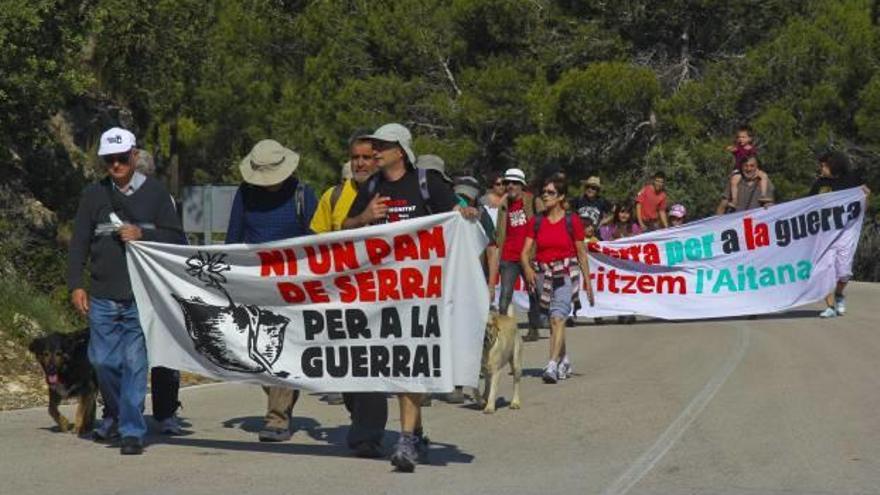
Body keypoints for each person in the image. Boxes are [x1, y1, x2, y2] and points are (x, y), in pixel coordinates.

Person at [343, 122, 478, 472]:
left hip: (423, 293)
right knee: (392, 364)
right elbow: (343, 228)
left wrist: (465, 212)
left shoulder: (426, 183)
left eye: (381, 147)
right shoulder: (372, 185)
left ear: (400, 151)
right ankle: (415, 432)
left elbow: (459, 212)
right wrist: (364, 217)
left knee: (409, 362)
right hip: (382, 292)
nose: (374, 152)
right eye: (372, 147)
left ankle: (404, 440)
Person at [67, 127, 185, 455]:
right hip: (102, 292)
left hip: (141, 295)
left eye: (122, 158)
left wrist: (143, 233)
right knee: (102, 361)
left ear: (134, 156)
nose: (116, 165)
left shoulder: (157, 194)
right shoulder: (93, 195)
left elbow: (177, 238)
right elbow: (79, 242)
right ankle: (119, 414)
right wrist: (76, 283)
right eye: (110, 160)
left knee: (134, 364)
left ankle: (132, 430)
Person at [225, 139, 318, 442]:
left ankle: (277, 418)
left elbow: (315, 241)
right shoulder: (246, 194)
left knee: (282, 349)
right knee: (258, 354)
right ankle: (280, 403)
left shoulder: (303, 195)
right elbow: (233, 239)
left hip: (292, 287)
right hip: (254, 284)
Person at [521, 175, 594, 384]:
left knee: (558, 318)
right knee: (553, 322)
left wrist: (587, 282)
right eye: (544, 192)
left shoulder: (573, 221)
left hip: (565, 273)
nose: (545, 196)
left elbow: (581, 253)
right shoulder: (536, 221)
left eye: (551, 192)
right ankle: (564, 359)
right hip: (543, 274)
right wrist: (527, 268)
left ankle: (551, 364)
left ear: (561, 196)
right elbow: (525, 252)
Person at [809, 151, 871, 318]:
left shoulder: (851, 180)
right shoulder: (819, 183)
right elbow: (807, 206)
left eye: (823, 165)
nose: (821, 169)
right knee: (825, 270)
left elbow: (864, 198)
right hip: (824, 233)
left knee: (843, 272)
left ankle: (839, 294)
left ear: (833, 165)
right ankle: (830, 307)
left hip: (846, 232)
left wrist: (865, 198)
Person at [493, 168, 542, 341]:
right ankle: (502, 332)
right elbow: (500, 230)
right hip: (509, 255)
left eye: (514, 183)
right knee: (505, 295)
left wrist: (540, 251)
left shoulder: (533, 201)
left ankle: (534, 328)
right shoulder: (504, 204)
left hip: (529, 255)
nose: (510, 186)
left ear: (522, 185)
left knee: (534, 292)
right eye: (507, 183)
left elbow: (543, 224)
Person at [600, 201, 641, 325]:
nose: (624, 215)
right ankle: (619, 313)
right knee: (617, 289)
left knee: (629, 289)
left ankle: (628, 313)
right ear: (617, 213)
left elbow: (641, 243)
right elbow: (603, 239)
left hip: (629, 264)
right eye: (622, 212)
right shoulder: (611, 227)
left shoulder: (634, 227)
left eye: (627, 212)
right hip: (614, 264)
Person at [725, 125, 769, 207]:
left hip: (751, 169)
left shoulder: (752, 149)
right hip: (739, 169)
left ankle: (763, 195)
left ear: (750, 139)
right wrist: (730, 148)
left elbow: (754, 160)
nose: (740, 139)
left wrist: (756, 169)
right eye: (739, 137)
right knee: (734, 181)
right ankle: (734, 200)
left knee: (764, 176)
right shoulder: (738, 148)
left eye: (743, 137)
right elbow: (731, 149)